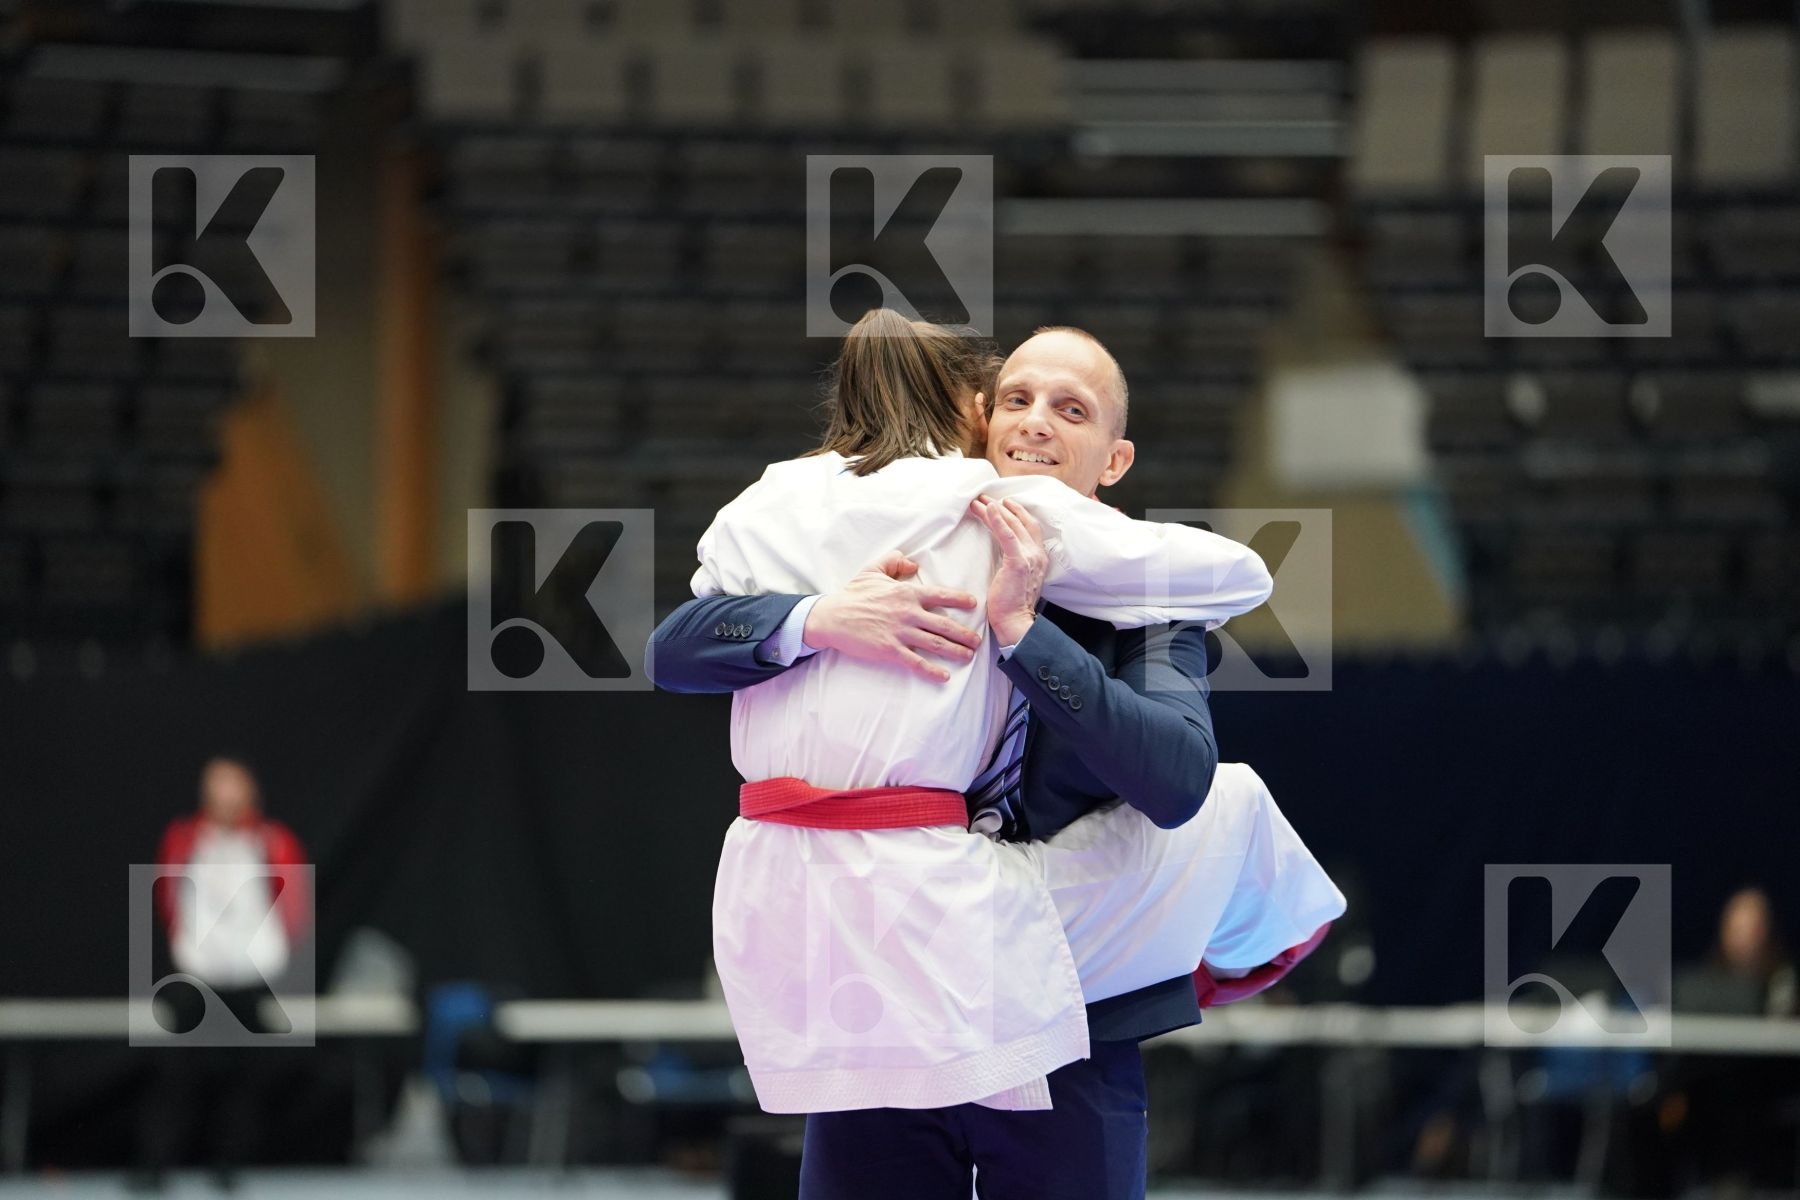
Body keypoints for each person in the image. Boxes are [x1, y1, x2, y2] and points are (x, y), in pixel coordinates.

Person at [650, 312, 1343, 1198]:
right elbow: (676, 649)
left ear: (1114, 461)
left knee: (1236, 802)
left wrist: (1025, 635)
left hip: (1071, 1017)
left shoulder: (1149, 605)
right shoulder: (877, 559)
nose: (1037, 421)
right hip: (891, 980)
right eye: (1015, 398)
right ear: (978, 424)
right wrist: (817, 617)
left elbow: (1175, 782)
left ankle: (1264, 932)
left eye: (1071, 408)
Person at [137, 756, 309, 1186]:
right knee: (175, 1074)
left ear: (250, 794)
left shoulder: (271, 841)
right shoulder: (185, 838)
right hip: (197, 975)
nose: (227, 799)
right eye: (219, 789)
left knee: (243, 1078)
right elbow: (168, 895)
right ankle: (157, 1167)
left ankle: (229, 1167)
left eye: (235, 789)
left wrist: (277, 952)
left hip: (252, 976)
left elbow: (294, 898)